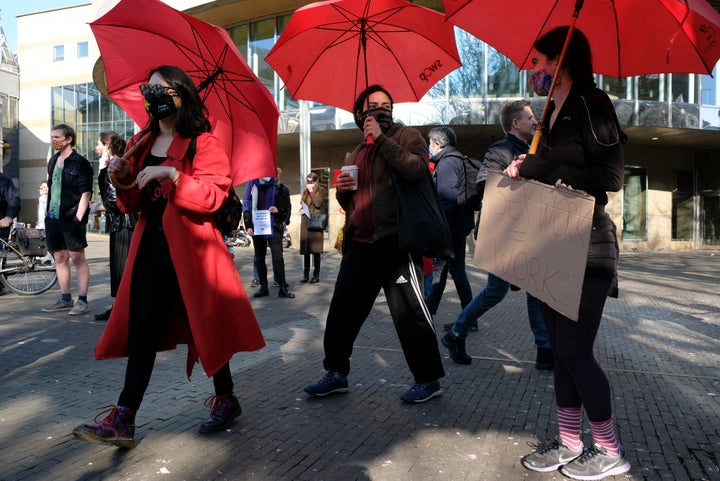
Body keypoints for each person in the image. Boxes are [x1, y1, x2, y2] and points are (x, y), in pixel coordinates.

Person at [72, 65, 265, 449]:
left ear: (181, 95)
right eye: (149, 88)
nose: (152, 94)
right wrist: (121, 177)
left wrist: (174, 177)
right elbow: (131, 205)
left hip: (194, 254)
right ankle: (124, 419)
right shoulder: (141, 141)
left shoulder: (204, 143)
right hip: (152, 251)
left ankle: (226, 398)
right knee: (142, 332)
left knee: (203, 328)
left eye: (161, 88)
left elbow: (212, 197)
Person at [504, 28, 630, 479]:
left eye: (538, 62)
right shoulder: (552, 112)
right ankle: (571, 442)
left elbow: (611, 177)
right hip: (553, 243)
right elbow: (554, 174)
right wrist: (526, 169)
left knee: (576, 353)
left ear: (561, 61)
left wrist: (544, 166)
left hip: (588, 246)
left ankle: (610, 450)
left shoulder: (593, 104)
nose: (533, 71)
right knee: (560, 352)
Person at [303, 85, 445, 404]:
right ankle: (336, 372)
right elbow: (351, 197)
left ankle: (428, 379)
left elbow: (417, 169)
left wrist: (382, 139)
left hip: (394, 244)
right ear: (360, 114)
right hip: (361, 245)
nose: (381, 109)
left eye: (386, 105)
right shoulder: (357, 150)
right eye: (373, 106)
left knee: (409, 312)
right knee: (342, 312)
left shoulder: (407, 136)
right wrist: (342, 190)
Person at [441, 100, 554, 371]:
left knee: (535, 289)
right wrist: (512, 170)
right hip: (504, 234)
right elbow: (483, 184)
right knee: (496, 290)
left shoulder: (531, 149)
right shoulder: (501, 149)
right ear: (516, 123)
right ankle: (456, 333)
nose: (534, 122)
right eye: (529, 117)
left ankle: (545, 350)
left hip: (525, 231)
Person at [42, 124, 94, 315]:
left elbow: (86, 193)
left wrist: (77, 220)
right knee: (59, 257)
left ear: (69, 139)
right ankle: (65, 298)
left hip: (72, 218)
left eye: (57, 137)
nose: (54, 140)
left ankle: (82, 301)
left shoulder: (80, 163)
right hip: (53, 217)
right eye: (52, 137)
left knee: (77, 258)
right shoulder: (54, 160)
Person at [424, 126, 474, 315]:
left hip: (450, 228)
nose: (429, 147)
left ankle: (468, 318)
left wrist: (438, 227)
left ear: (437, 144)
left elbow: (446, 198)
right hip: (457, 225)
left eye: (430, 143)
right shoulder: (456, 159)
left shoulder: (446, 163)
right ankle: (431, 310)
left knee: (456, 271)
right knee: (442, 270)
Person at [94, 131, 137, 321]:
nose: (97, 148)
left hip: (122, 225)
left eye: (99, 144)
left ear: (107, 146)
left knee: (121, 268)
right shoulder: (122, 163)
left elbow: (114, 202)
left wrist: (97, 206)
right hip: (126, 223)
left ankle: (121, 310)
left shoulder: (114, 166)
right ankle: (121, 308)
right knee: (124, 267)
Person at [242, 169, 295, 298]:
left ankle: (282, 288)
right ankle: (263, 287)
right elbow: (247, 205)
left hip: (274, 226)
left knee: (278, 257)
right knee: (259, 258)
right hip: (257, 226)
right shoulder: (252, 185)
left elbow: (287, 208)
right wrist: (248, 225)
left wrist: (279, 210)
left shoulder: (280, 187)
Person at [299, 171, 327, 283]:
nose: (310, 183)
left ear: (316, 181)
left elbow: (318, 203)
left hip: (315, 223)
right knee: (306, 251)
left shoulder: (321, 190)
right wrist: (301, 210)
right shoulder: (305, 191)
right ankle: (305, 275)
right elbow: (304, 204)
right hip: (306, 222)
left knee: (315, 251)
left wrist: (311, 191)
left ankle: (316, 275)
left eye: (312, 181)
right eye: (308, 181)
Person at [0, 172, 21, 296]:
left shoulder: (3, 179)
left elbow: (14, 199)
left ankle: (1, 285)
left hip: (1, 223)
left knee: (1, 255)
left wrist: (8, 217)